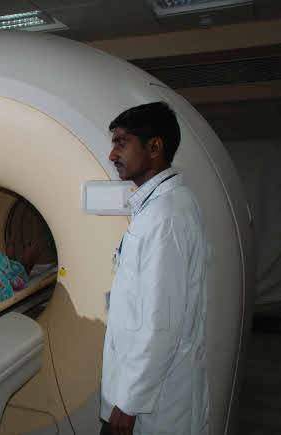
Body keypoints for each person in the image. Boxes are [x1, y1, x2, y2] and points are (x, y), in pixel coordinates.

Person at [100, 102, 209, 435]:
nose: (112, 154)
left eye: (121, 143)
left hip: (151, 403)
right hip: (143, 389)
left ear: (154, 147)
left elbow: (162, 323)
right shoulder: (158, 208)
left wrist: (129, 402)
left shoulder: (166, 217)